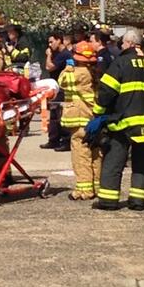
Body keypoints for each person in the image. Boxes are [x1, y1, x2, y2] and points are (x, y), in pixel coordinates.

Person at [92, 27, 144, 211]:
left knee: (114, 159)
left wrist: (98, 113)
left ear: (131, 44)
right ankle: (138, 200)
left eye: (123, 43)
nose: (121, 46)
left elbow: (106, 92)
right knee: (142, 161)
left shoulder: (120, 63)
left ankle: (108, 200)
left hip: (124, 121)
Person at [59, 41, 102, 200]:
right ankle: (97, 186)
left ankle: (84, 190)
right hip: (93, 119)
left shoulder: (78, 73)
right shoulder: (95, 72)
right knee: (95, 154)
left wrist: (68, 67)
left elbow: (62, 81)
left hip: (80, 120)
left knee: (81, 155)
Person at [40, 29, 72, 151]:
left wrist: (48, 55)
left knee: (60, 115)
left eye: (51, 41)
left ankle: (65, 141)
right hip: (57, 89)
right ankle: (53, 139)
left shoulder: (64, 54)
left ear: (59, 40)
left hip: (63, 89)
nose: (49, 44)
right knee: (54, 115)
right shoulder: (57, 54)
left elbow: (50, 67)